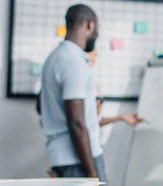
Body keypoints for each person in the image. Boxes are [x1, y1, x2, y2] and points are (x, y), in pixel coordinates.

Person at [39, 4, 107, 183]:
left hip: (61, 157)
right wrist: (92, 173)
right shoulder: (73, 62)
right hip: (78, 159)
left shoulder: (53, 58)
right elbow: (76, 122)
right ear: (89, 25)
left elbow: (40, 105)